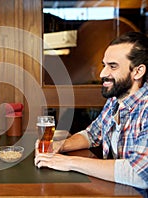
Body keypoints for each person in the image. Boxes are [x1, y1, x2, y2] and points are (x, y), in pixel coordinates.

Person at [35, 31, 148, 191]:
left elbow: (140, 174)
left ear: (138, 71)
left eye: (112, 66)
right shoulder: (115, 100)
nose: (102, 73)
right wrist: (60, 146)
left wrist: (68, 163)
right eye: (104, 65)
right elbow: (92, 134)